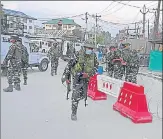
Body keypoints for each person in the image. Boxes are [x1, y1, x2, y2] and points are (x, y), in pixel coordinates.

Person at [62, 43, 99, 121]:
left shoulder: (93, 56)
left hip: (86, 78)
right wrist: (66, 77)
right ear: (84, 47)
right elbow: (69, 65)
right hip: (77, 78)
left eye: (91, 49)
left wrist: (89, 74)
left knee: (82, 95)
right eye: (88, 48)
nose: (90, 50)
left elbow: (96, 67)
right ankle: (74, 113)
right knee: (76, 95)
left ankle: (78, 99)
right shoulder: (78, 54)